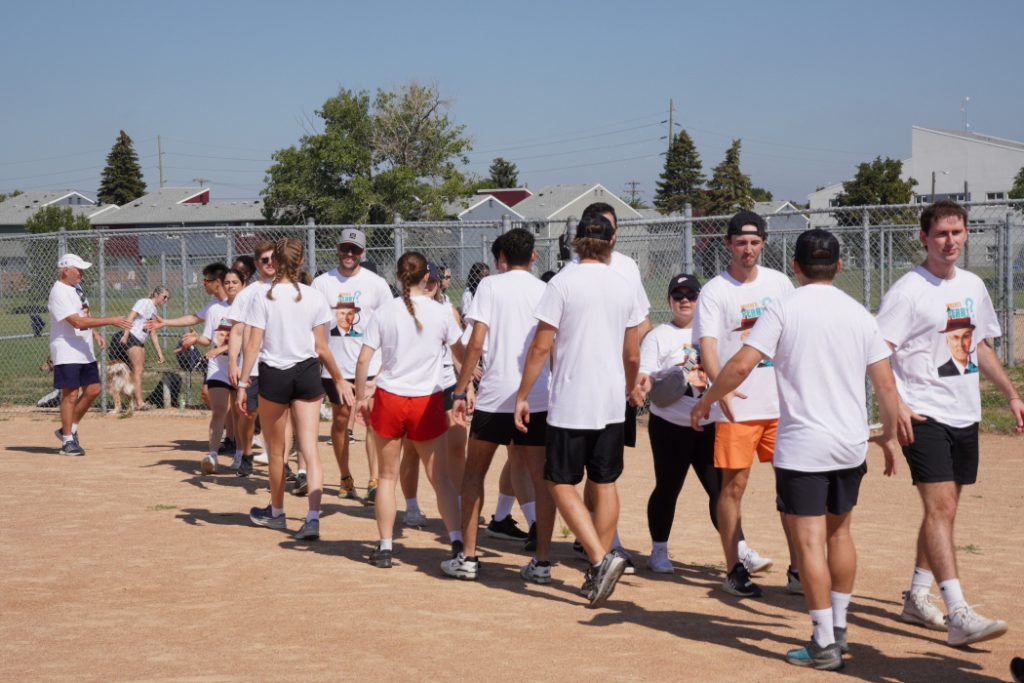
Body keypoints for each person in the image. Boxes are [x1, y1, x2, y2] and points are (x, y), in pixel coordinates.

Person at [692, 229, 902, 671]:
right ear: (840, 266)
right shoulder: (860, 313)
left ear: (796, 267)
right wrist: (886, 435)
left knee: (809, 542)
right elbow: (884, 382)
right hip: (849, 443)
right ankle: (838, 631)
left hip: (804, 445)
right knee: (840, 534)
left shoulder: (783, 307)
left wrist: (709, 399)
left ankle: (824, 641)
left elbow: (743, 365)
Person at [876, 200, 1022, 647]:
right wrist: (895, 404)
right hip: (923, 413)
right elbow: (877, 351)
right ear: (923, 237)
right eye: (941, 233)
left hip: (964, 412)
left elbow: (975, 345)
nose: (951, 241)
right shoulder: (908, 291)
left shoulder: (973, 285)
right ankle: (957, 611)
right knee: (940, 509)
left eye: (958, 232)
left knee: (946, 510)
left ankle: (917, 596)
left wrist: (1012, 394)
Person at [515, 214, 642, 607]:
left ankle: (601, 560)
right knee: (605, 483)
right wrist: (630, 385)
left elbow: (540, 346)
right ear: (610, 241)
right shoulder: (624, 285)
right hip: (610, 400)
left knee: (557, 481)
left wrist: (522, 393)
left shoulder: (562, 282)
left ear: (575, 241)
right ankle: (597, 568)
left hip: (572, 399)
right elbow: (632, 352)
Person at [692, 209, 796, 598]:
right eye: (740, 243)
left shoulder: (780, 283)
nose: (748, 250)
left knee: (791, 488)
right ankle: (734, 568)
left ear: (763, 243)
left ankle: (799, 568)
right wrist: (723, 389)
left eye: (754, 242)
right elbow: (708, 345)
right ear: (728, 245)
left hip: (780, 407)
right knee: (732, 489)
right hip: (738, 408)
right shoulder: (716, 291)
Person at [443, 229, 551, 582]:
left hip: (493, 395)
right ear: (534, 256)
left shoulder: (489, 286)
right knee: (541, 478)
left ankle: (469, 557)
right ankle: (543, 562)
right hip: (536, 397)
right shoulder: (546, 289)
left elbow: (475, 342)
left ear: (501, 256)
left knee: (474, 473)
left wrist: (461, 389)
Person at [354, 251, 465, 569]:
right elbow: (460, 355)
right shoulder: (441, 312)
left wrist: (362, 397)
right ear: (427, 277)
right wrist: (464, 387)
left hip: (390, 397)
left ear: (399, 276)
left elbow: (364, 360)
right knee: (440, 478)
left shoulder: (384, 311)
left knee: (386, 477)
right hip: (426, 400)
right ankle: (457, 542)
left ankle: (386, 547)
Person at [564, 202, 652, 573]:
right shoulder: (572, 272)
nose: (602, 234)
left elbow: (642, 323)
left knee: (605, 473)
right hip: (580, 387)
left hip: (617, 383)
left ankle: (603, 546)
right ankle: (595, 545)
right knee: (584, 473)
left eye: (607, 227)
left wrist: (633, 372)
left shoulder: (627, 268)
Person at [237, 238, 344, 541]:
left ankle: (277, 513)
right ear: (300, 262)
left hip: (274, 375)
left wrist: (244, 384)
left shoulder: (264, 297)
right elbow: (322, 348)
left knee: (276, 451)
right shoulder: (314, 297)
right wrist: (338, 378)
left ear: (277, 262)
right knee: (309, 449)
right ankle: (312, 518)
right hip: (307, 373)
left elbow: (254, 345)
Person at [632, 274, 725, 574]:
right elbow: (645, 374)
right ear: (669, 301)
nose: (685, 300)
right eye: (678, 295)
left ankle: (736, 553)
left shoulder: (712, 334)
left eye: (691, 295)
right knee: (668, 488)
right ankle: (659, 551)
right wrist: (644, 386)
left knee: (720, 491)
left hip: (709, 425)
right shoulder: (660, 336)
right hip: (670, 426)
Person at [311, 229, 393, 502]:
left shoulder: (377, 284)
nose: (349, 254)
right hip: (336, 367)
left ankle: (373, 479)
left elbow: (390, 325)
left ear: (363, 253)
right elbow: (313, 324)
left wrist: (381, 370)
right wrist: (332, 372)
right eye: (345, 248)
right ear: (337, 249)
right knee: (341, 419)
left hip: (370, 365)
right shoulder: (322, 283)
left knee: (372, 421)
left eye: (354, 250)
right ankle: (345, 477)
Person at [47, 253, 131, 455]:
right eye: (78, 269)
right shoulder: (58, 291)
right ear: (66, 270)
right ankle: (68, 441)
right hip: (67, 348)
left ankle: (69, 428)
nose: (82, 273)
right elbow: (75, 322)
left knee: (93, 389)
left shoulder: (76, 288)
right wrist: (110, 320)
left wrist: (95, 334)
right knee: (71, 394)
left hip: (84, 348)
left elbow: (84, 315)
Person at [227, 242, 276, 478]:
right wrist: (233, 363)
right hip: (252, 365)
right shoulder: (248, 294)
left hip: (278, 363)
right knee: (249, 413)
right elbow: (236, 331)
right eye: (264, 260)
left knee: (277, 415)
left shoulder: (287, 289)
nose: (270, 264)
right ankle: (245, 453)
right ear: (257, 264)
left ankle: (279, 460)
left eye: (273, 259)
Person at [196, 268, 244, 474]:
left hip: (241, 365)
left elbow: (248, 341)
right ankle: (213, 455)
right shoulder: (215, 310)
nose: (231, 285)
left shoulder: (249, 309)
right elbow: (208, 339)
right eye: (227, 282)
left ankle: (241, 453)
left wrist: (223, 348)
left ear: (243, 285)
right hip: (218, 367)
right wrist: (194, 339)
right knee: (218, 411)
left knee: (239, 413)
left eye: (235, 282)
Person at [120, 286, 169, 411]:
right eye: (164, 296)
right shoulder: (144, 302)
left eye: (167, 298)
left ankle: (134, 401)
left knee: (138, 371)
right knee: (138, 370)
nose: (166, 300)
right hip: (132, 337)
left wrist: (160, 353)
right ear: (156, 294)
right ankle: (139, 403)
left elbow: (152, 332)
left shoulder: (154, 310)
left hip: (140, 341)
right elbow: (130, 316)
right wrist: (125, 335)